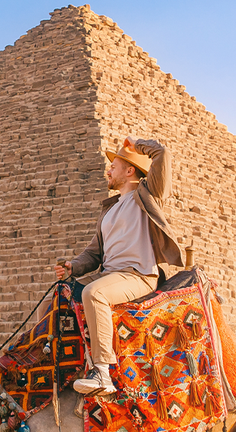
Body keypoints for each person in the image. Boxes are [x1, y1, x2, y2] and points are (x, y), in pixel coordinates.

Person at [56, 136, 183, 396]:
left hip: (138, 275)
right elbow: (93, 253)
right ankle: (57, 364)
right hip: (109, 274)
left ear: (129, 170)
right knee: (58, 296)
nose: (108, 171)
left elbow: (163, 154)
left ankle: (102, 372)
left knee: (95, 294)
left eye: (113, 166)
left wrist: (138, 145)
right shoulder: (110, 210)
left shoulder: (148, 196)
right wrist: (72, 266)